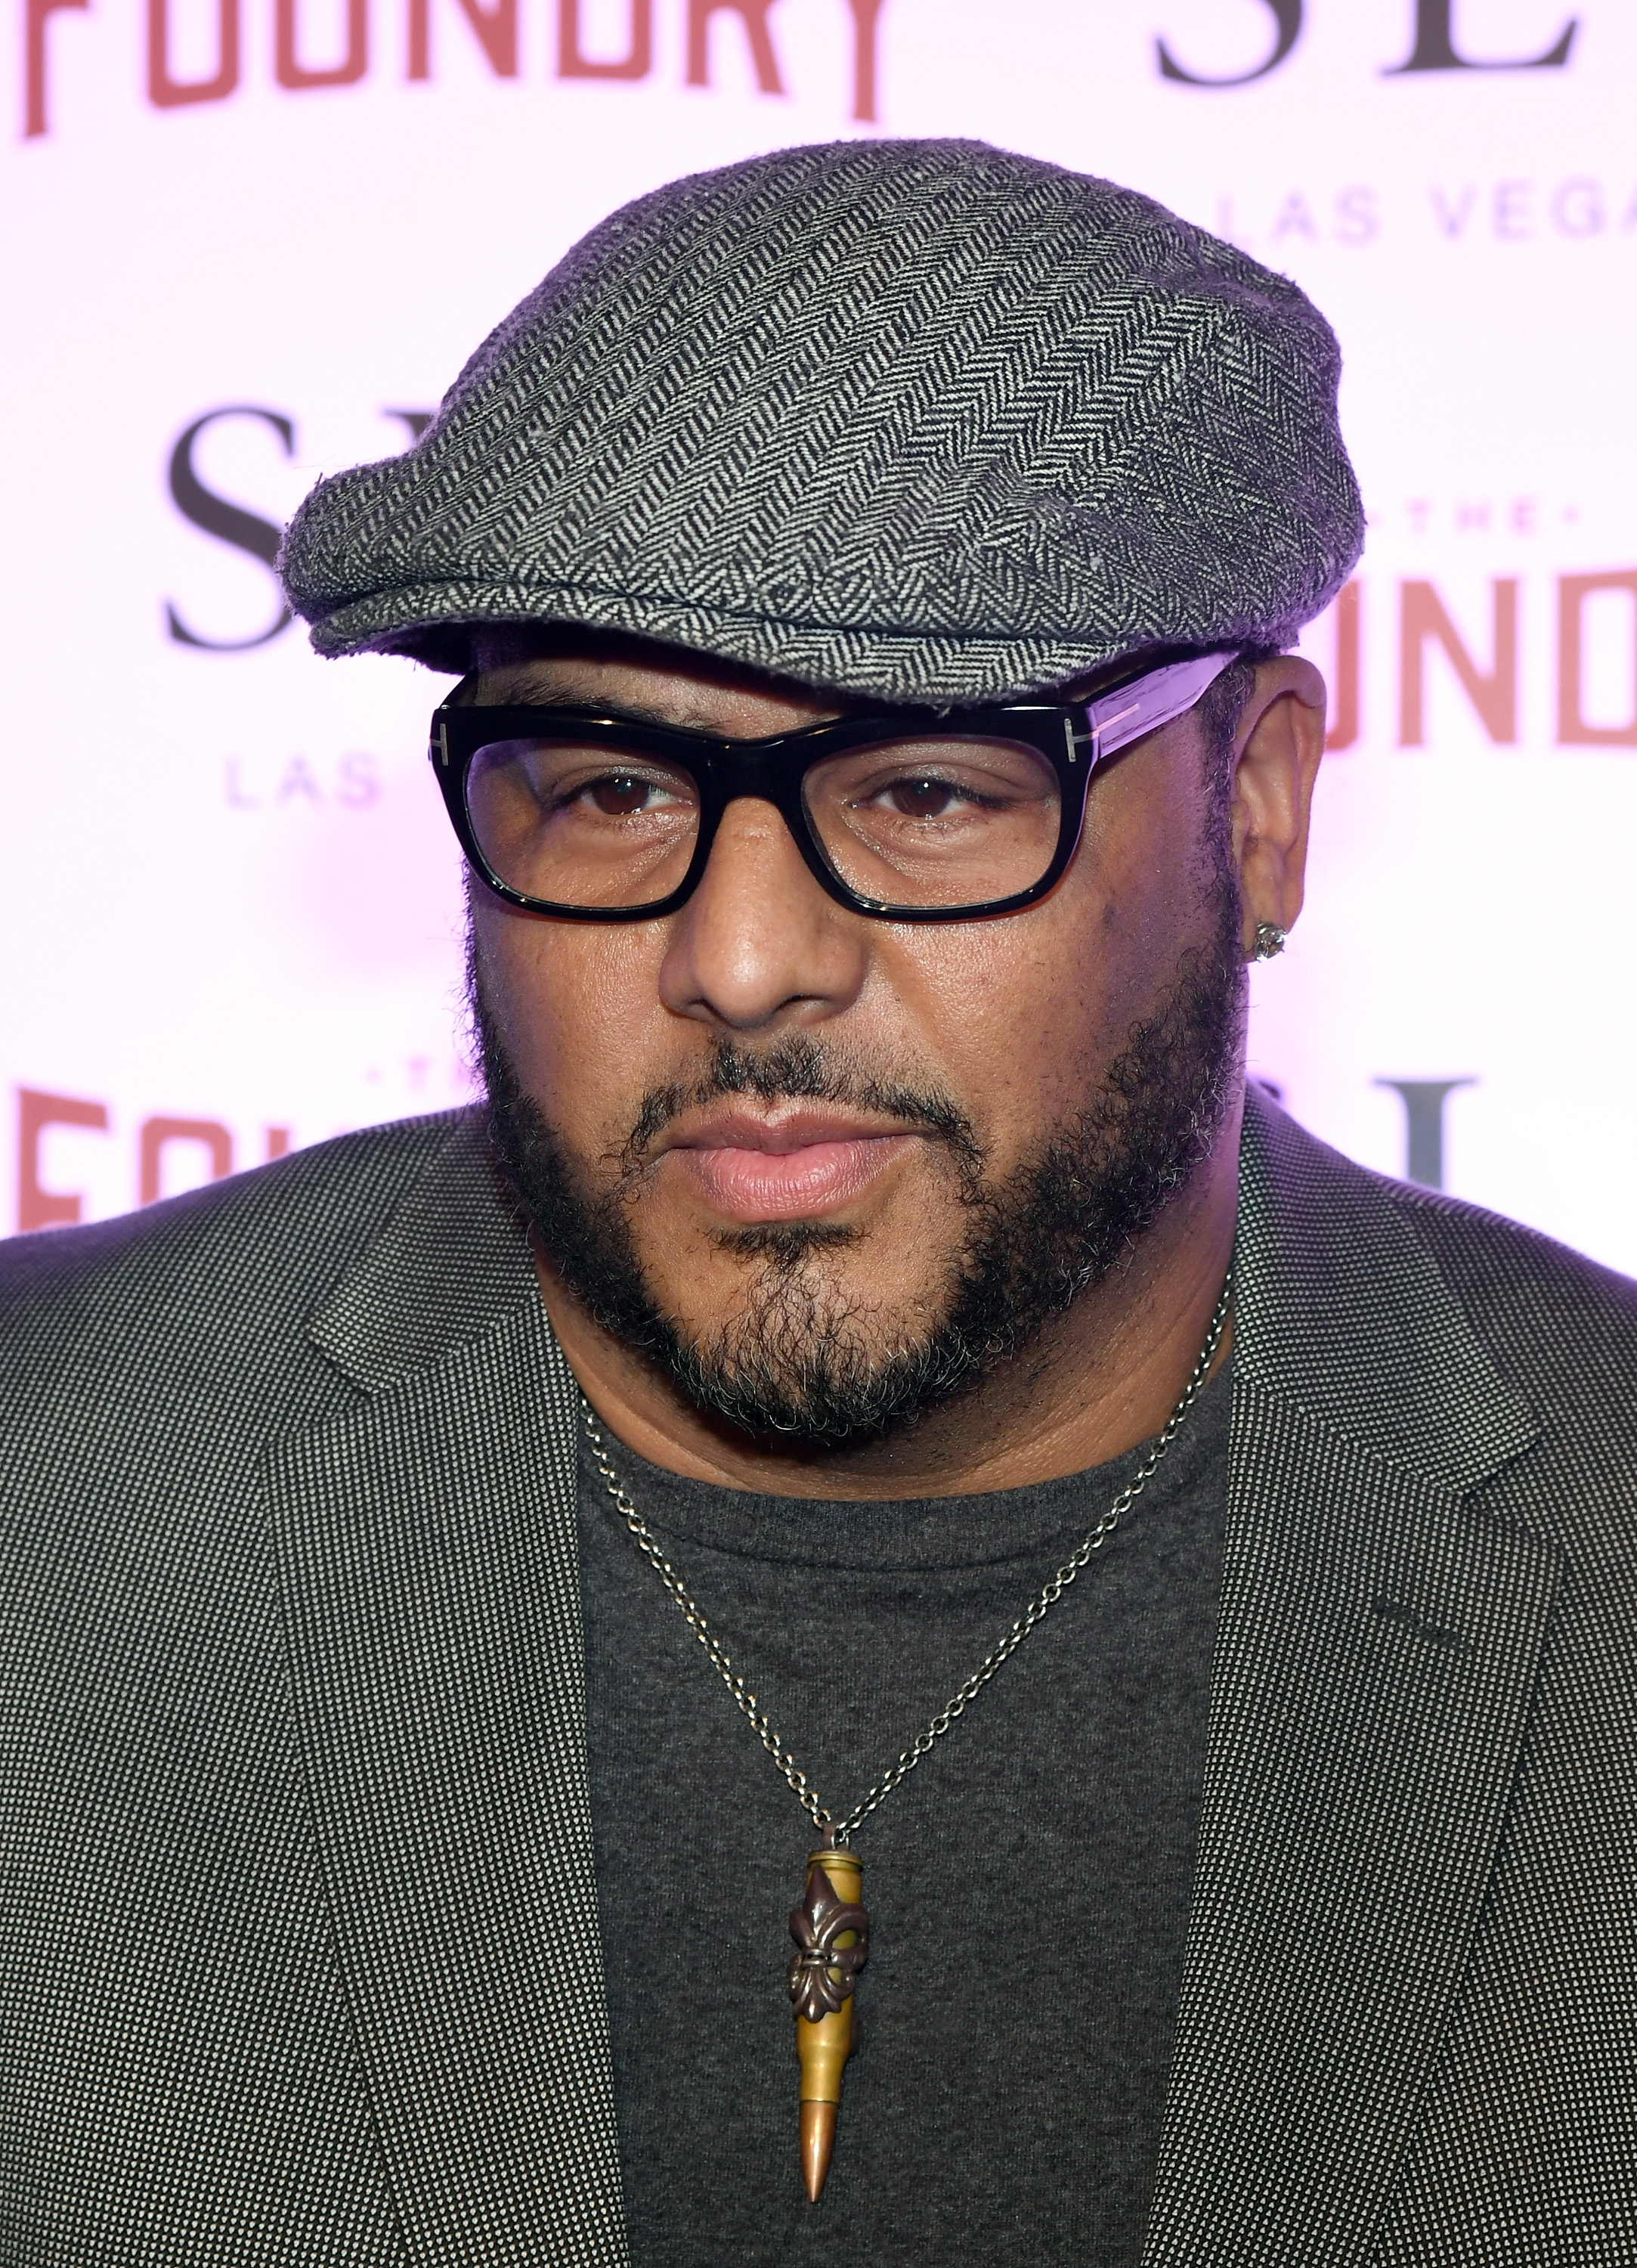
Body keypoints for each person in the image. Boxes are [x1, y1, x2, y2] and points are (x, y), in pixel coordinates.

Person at [2, 139, 1632, 2268]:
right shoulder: (47, 1501)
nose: (744, 956)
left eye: (930, 792)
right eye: (607, 788)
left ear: (1256, 806)